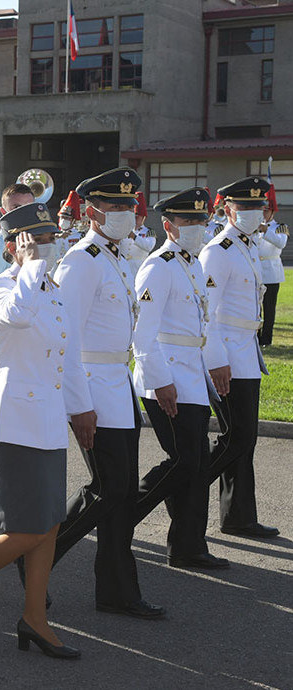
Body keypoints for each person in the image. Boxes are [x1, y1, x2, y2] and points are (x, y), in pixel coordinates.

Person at [0, 202, 87, 659]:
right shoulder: (3, 288)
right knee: (25, 529)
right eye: (35, 241)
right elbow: (21, 316)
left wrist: (83, 411)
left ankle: (34, 619)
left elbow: (70, 353)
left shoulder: (53, 289)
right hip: (13, 419)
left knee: (48, 526)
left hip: (47, 417)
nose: (47, 248)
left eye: (49, 239)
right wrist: (28, 266)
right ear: (12, 247)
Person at [49, 167, 162, 618]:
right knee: (109, 490)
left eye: (129, 206)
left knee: (120, 494)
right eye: (115, 207)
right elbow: (67, 340)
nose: (126, 214)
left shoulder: (115, 256)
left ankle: (117, 591)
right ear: (92, 211)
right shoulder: (80, 260)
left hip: (119, 386)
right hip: (93, 389)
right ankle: (38, 553)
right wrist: (79, 407)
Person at [133, 187, 230, 571]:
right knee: (184, 461)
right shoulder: (158, 265)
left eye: (201, 220)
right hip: (166, 376)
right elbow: (143, 334)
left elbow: (202, 323)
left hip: (190, 374)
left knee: (196, 463)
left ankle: (188, 545)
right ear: (169, 225)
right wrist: (160, 381)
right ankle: (120, 513)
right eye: (189, 221)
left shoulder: (193, 264)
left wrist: (216, 363)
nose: (197, 227)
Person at [200, 176, 280, 539]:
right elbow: (207, 313)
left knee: (243, 438)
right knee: (237, 437)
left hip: (245, 350)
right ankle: (184, 488)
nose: (253, 213)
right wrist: (216, 360)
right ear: (228, 208)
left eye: (258, 207)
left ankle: (238, 515)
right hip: (227, 353)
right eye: (245, 206)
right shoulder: (219, 250)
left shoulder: (247, 245)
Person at [258, 190, 287, 348]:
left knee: (269, 308)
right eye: (262, 210)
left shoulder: (280, 227)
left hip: (272, 272)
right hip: (256, 272)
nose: (264, 214)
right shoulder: (253, 227)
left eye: (266, 211)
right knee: (255, 308)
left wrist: (265, 230)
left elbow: (281, 243)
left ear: (272, 211)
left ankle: (266, 339)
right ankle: (255, 336)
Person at [0, 184, 35, 277]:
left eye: (29, 207)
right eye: (17, 208)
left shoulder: (38, 240)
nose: (24, 212)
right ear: (3, 212)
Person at [121, 192, 156, 279]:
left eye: (138, 216)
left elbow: (149, 247)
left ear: (143, 217)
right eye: (134, 216)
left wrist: (134, 237)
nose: (136, 218)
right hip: (124, 266)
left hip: (139, 267)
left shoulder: (148, 232)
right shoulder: (124, 229)